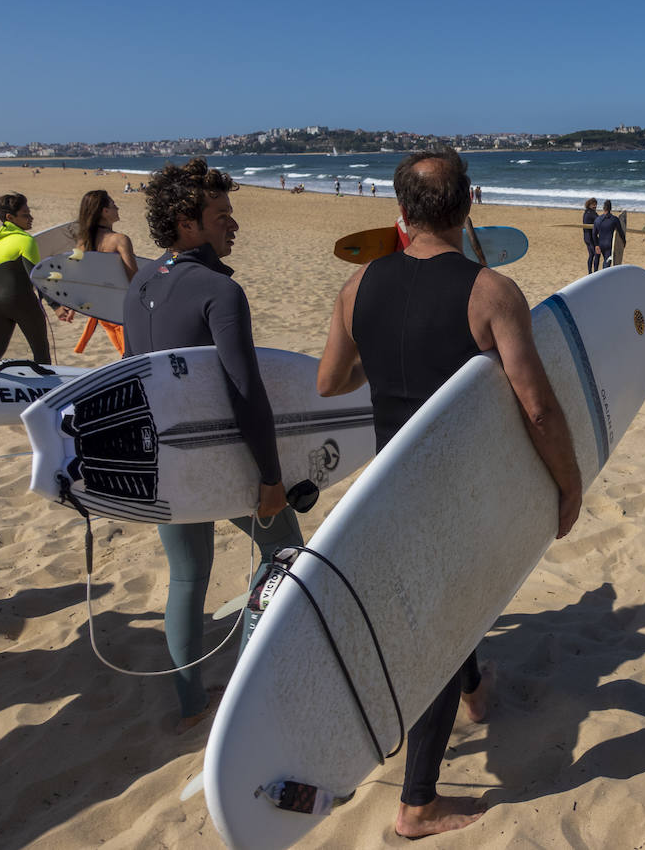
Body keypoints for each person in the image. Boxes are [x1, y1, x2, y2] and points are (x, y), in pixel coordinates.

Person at [316, 148, 581, 838]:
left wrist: (379, 364)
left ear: (400, 212)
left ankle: (475, 691)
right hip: (453, 498)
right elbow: (539, 407)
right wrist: (568, 483)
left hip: (384, 495)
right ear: (470, 203)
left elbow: (329, 382)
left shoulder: (357, 289)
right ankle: (418, 804)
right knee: (440, 628)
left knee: (447, 610)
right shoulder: (491, 293)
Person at [122, 158, 305, 733]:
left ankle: (190, 703)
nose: (234, 225)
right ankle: (253, 688)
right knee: (283, 557)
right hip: (218, 461)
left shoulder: (140, 283)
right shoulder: (219, 292)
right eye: (222, 215)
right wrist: (271, 478)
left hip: (159, 459)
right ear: (186, 222)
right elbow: (246, 392)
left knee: (186, 575)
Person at [0, 193, 52, 363]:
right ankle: (46, 390)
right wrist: (55, 304)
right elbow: (37, 277)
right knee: (41, 354)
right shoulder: (26, 241)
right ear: (10, 217)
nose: (31, 218)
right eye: (25, 215)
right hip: (23, 303)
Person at [66, 189, 138, 353]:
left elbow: (80, 278)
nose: (117, 208)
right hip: (121, 310)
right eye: (114, 205)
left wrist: (73, 306)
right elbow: (134, 279)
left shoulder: (83, 242)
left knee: (124, 352)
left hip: (102, 312)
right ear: (105, 212)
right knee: (131, 354)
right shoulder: (119, 240)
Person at [592, 200, 625, 268]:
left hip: (600, 243)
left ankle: (595, 273)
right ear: (610, 208)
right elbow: (620, 232)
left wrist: (596, 245)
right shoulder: (614, 219)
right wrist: (624, 241)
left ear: (603, 208)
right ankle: (604, 276)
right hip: (609, 245)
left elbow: (594, 234)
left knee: (599, 260)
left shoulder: (597, 220)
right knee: (607, 262)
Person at [581, 198, 599, 273]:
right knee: (596, 254)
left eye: (596, 204)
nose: (595, 206)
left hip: (587, 237)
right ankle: (594, 272)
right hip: (590, 238)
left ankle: (590, 272)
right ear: (589, 205)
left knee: (592, 255)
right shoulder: (590, 213)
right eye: (593, 204)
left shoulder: (588, 212)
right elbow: (599, 219)